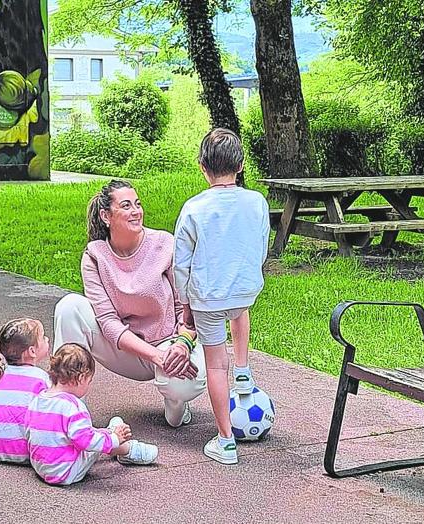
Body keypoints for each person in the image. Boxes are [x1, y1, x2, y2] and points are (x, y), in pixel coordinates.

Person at [53, 179, 207, 428]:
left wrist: (181, 344)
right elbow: (108, 322)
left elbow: (185, 307)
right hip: (124, 350)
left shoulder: (164, 244)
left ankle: (177, 405)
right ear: (106, 215)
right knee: (69, 307)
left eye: (137, 204)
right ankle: (64, 406)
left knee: (184, 384)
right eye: (126, 206)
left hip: (168, 344)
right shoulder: (94, 256)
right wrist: (155, 356)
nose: (136, 211)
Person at [173, 128, 270, 465]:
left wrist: (186, 305)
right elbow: (261, 247)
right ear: (241, 164)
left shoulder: (193, 208)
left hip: (207, 299)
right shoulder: (256, 201)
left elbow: (180, 264)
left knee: (215, 365)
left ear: (202, 166)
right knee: (239, 310)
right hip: (244, 292)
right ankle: (243, 368)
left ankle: (225, 441)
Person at [25, 344, 158, 485]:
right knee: (93, 441)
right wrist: (113, 440)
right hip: (65, 471)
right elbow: (86, 442)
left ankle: (111, 433)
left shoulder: (38, 399)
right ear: (81, 378)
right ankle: (125, 449)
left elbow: (28, 432)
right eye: (89, 381)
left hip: (40, 466)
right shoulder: (73, 407)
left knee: (84, 432)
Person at [0, 318, 51, 463]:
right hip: (26, 451)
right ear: (32, 351)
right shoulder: (41, 379)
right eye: (43, 337)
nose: (47, 339)